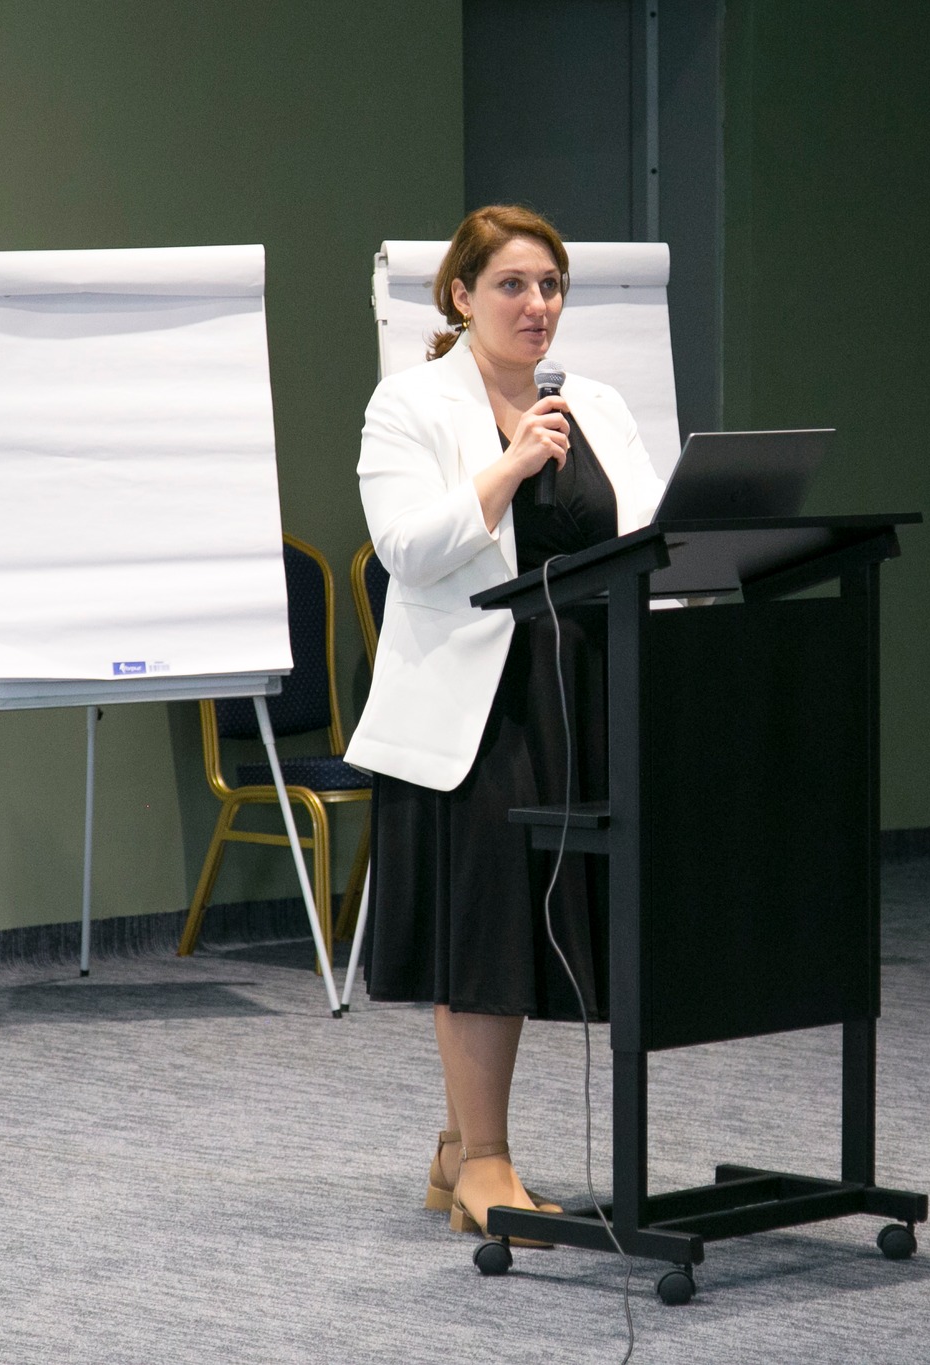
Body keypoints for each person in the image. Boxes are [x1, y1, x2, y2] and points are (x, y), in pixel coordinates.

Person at [345, 205, 664, 1239]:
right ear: (460, 296)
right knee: (485, 932)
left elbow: (650, 533)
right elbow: (406, 550)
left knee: (530, 925)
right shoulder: (408, 404)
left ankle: (457, 1147)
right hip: (471, 710)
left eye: (551, 286)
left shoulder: (597, 404)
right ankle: (483, 1161)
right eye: (513, 285)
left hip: (577, 695)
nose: (537, 306)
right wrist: (510, 464)